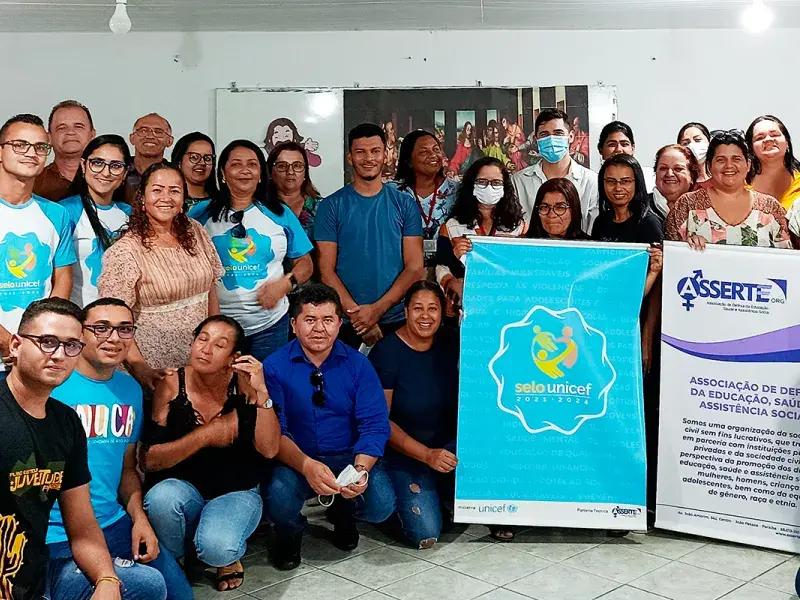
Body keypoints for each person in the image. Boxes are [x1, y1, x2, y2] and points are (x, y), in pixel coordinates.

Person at [46, 298, 193, 600]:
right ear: (80, 334)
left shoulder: (129, 390)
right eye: (101, 328)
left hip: (114, 521)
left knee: (179, 595)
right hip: (57, 533)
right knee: (144, 587)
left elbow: (127, 469)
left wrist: (139, 518)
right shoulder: (52, 385)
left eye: (124, 329)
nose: (113, 338)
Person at [141, 315, 280, 592]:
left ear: (234, 356)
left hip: (235, 491)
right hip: (183, 490)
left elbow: (269, 449)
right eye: (202, 339)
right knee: (161, 498)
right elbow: (150, 461)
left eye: (219, 345)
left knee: (218, 548)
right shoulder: (171, 384)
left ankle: (221, 555)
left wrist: (262, 393)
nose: (206, 349)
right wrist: (205, 436)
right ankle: (176, 558)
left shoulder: (246, 385)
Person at [262, 283, 395, 570]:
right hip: (297, 458)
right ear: (294, 324)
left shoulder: (359, 365)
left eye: (327, 320)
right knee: (279, 497)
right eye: (310, 320)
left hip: (349, 455)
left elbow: (374, 424)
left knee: (381, 504)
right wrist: (306, 465)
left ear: (339, 323)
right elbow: (276, 432)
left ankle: (344, 512)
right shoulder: (273, 367)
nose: (319, 329)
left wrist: (360, 469)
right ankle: (289, 533)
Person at [0, 298, 122, 600]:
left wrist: (107, 580)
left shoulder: (67, 423)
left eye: (71, 346)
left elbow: (81, 524)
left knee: (146, 585)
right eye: (47, 342)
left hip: (30, 579)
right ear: (15, 345)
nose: (58, 355)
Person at [189, 140, 313, 362]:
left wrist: (286, 284)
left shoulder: (280, 213)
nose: (245, 171)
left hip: (270, 325)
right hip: (217, 324)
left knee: (265, 390)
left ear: (260, 174)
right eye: (236, 164)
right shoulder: (201, 213)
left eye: (252, 165)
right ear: (223, 173)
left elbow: (305, 263)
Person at [98, 162, 223, 371]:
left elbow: (210, 290)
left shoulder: (196, 231)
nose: (166, 198)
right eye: (157, 190)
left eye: (174, 191)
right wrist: (141, 369)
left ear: (183, 198)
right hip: (152, 368)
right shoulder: (125, 251)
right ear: (143, 198)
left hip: (198, 363)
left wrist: (216, 341)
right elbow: (113, 321)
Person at [315, 123, 424, 349]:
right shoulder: (330, 206)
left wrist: (376, 310)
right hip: (345, 322)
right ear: (349, 157)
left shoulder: (405, 204)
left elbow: (414, 267)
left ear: (385, 154)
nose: (369, 158)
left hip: (396, 320)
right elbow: (326, 270)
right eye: (360, 152)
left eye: (375, 151)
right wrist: (358, 317)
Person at [368, 281, 458, 549]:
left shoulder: (452, 341)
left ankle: (439, 492)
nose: (426, 316)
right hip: (405, 454)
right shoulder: (386, 353)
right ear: (405, 311)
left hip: (448, 449)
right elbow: (380, 422)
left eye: (433, 309)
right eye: (417, 308)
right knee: (425, 533)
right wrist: (426, 455)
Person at [0, 114, 76, 375]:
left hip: (37, 359)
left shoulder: (57, 215)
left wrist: (43, 340)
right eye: (20, 145)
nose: (31, 153)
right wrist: (6, 343)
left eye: (40, 147)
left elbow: (62, 282)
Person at [666, 130, 791, 249]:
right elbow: (670, 256)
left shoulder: (769, 207)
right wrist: (687, 247)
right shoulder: (687, 204)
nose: (729, 166)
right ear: (709, 166)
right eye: (721, 160)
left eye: (736, 159)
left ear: (748, 165)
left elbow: (787, 259)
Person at [436, 157, 526, 317]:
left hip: (509, 307)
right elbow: (441, 266)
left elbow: (525, 266)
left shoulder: (518, 226)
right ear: (472, 185)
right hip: (465, 309)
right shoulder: (451, 226)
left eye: (496, 183)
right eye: (482, 182)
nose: (489, 187)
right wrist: (451, 282)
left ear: (505, 187)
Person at [61, 135, 132, 307]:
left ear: (125, 173)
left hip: (120, 319)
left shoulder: (131, 214)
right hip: (78, 317)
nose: (106, 173)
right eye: (97, 163)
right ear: (83, 166)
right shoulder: (65, 211)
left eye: (116, 166)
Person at [512, 108, 599, 233]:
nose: (551, 140)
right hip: (531, 251)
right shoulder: (518, 181)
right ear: (536, 140)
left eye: (558, 133)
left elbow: (594, 232)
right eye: (544, 135)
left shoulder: (591, 182)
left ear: (571, 136)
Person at [392, 130, 458, 266]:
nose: (433, 155)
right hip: (402, 271)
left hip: (448, 271)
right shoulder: (392, 192)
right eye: (424, 152)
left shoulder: (458, 191)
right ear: (409, 160)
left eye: (436, 150)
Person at [591, 154, 664, 244]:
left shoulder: (649, 223)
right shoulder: (600, 222)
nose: (618, 188)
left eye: (625, 181)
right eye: (611, 181)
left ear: (637, 183)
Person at [34, 101, 96, 202]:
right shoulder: (34, 184)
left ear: (92, 135)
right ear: (49, 138)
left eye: (79, 126)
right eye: (61, 128)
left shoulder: (111, 179)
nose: (70, 132)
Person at [266, 140, 322, 243]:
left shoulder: (322, 208)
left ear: (305, 172)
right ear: (270, 172)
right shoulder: (260, 207)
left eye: (297, 166)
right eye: (282, 166)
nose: (290, 172)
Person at [746, 115, 800, 211]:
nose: (768, 139)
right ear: (751, 149)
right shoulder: (740, 186)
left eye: (774, 135)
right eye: (759, 138)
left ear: (787, 143)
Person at [125, 114, 173, 203]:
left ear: (169, 141)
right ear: (132, 138)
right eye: (143, 131)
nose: (150, 136)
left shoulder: (175, 175)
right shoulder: (118, 169)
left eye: (158, 132)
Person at [525, 177, 589, 240]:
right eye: (545, 207)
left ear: (573, 210)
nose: (551, 215)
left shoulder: (590, 246)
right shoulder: (522, 245)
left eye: (560, 207)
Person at [171, 132, 218, 209]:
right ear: (179, 161)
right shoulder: (169, 201)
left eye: (207, 158)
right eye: (194, 157)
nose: (202, 163)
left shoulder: (222, 203)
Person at [651, 144, 699, 218]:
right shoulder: (638, 208)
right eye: (663, 168)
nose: (669, 174)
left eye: (678, 169)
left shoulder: (704, 208)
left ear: (692, 176)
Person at [677, 122, 712, 189]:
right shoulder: (682, 183)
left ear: (709, 142)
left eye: (697, 140)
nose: (692, 146)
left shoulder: (722, 177)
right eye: (686, 143)